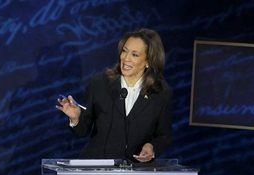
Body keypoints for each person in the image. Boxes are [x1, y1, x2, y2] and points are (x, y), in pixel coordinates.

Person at [56, 28, 173, 163]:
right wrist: (76, 118)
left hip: (134, 172)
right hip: (96, 169)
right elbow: (83, 130)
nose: (126, 58)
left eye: (134, 55)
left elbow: (164, 136)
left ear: (148, 61)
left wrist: (152, 147)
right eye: (124, 51)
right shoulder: (99, 84)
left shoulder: (161, 93)